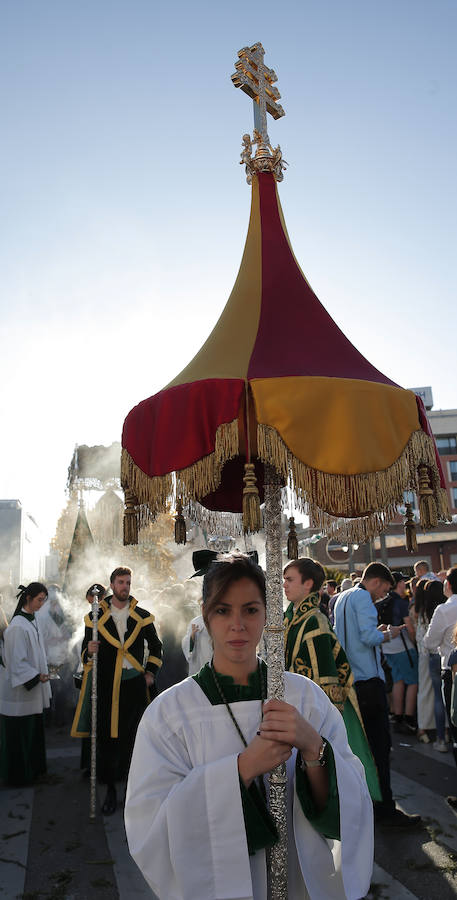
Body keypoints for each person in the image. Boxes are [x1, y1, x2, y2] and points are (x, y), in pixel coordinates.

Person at [125, 554, 374, 900]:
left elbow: (352, 805)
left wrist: (314, 748)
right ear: (205, 613)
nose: (237, 624)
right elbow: (150, 826)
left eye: (251, 610)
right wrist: (241, 769)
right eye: (223, 610)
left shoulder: (305, 698)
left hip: (298, 885)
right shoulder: (169, 713)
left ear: (268, 612)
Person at [283, 558, 381, 802]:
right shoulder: (290, 618)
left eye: (289, 579)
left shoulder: (314, 620)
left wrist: (323, 715)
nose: (284, 585)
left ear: (308, 584)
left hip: (310, 710)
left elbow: (325, 674)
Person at [334, 562, 421, 828]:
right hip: (368, 680)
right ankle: (384, 808)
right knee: (380, 748)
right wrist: (388, 633)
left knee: (362, 748)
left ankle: (368, 804)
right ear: (376, 581)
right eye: (384, 588)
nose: (383, 594)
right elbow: (368, 637)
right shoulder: (362, 597)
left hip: (351, 680)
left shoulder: (342, 597)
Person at [71, 566, 162, 815]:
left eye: (128, 582)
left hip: (134, 684)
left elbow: (156, 647)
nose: (125, 586)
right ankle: (110, 790)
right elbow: (84, 653)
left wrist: (150, 673)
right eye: (121, 582)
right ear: (112, 585)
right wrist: (89, 650)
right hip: (105, 685)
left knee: (133, 739)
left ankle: (132, 793)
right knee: (106, 739)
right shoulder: (95, 616)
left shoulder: (142, 616)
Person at [0, 583, 51, 785]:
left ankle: (33, 772)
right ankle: (17, 777)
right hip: (18, 696)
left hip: (30, 693)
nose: (41, 604)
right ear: (27, 598)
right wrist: (37, 676)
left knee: (32, 736)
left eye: (43, 600)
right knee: (19, 738)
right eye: (39, 599)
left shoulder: (31, 621)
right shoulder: (17, 626)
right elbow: (16, 662)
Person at [376, 572, 418, 736]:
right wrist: (414, 643)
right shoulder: (400, 602)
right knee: (413, 681)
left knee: (398, 681)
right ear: (398, 583)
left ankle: (398, 717)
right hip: (402, 646)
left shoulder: (382, 601)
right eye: (403, 582)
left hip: (386, 646)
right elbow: (410, 627)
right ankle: (409, 718)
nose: (405, 585)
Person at [424, 566, 457, 770]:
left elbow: (429, 642)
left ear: (449, 584)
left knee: (455, 725)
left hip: (452, 671)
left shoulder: (444, 609)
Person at [414, 579, 446, 749]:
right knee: (445, 695)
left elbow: (422, 638)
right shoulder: (444, 609)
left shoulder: (424, 611)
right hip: (445, 656)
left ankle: (425, 729)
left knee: (428, 693)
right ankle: (446, 730)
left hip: (428, 655)